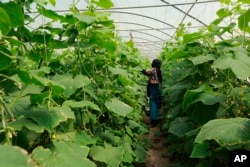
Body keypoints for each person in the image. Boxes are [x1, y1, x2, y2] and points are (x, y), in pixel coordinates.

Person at [141, 59, 162, 127]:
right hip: (157, 87)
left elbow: (147, 72)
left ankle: (154, 120)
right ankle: (156, 118)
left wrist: (143, 71)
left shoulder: (154, 69)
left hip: (153, 88)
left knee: (152, 103)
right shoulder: (158, 70)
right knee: (156, 103)